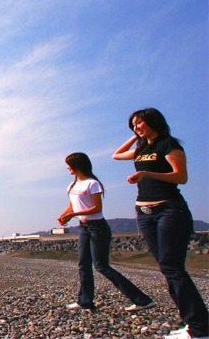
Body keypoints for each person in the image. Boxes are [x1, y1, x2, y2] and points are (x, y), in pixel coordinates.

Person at [113, 108, 208, 339]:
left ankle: (200, 328)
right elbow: (116, 154)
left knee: (173, 268)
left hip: (169, 210)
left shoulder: (168, 144)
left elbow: (180, 176)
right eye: (133, 124)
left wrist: (148, 174)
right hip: (145, 213)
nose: (136, 127)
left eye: (140, 123)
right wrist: (137, 136)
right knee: (167, 268)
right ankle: (193, 323)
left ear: (154, 121)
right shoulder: (141, 148)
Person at [57, 152, 156, 312]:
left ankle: (142, 300)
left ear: (78, 165)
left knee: (101, 266)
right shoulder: (72, 185)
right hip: (84, 228)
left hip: (98, 227)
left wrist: (73, 214)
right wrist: (64, 216)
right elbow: (72, 205)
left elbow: (97, 208)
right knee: (83, 265)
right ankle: (85, 301)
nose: (67, 167)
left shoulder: (92, 183)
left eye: (69, 164)